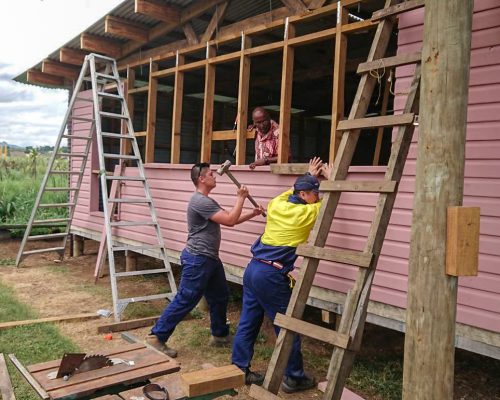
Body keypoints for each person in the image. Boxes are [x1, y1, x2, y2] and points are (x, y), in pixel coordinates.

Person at [232, 157, 331, 393]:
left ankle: (239, 368)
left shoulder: (277, 204)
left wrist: (309, 176)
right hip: (271, 276)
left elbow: (291, 192)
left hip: (253, 268)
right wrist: (331, 178)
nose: (317, 197)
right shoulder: (307, 213)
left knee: (248, 321)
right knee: (287, 324)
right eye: (314, 193)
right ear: (306, 195)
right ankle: (294, 377)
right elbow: (329, 204)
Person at [147, 162, 264, 358]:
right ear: (201, 179)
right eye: (211, 174)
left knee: (220, 296)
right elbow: (230, 220)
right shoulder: (200, 201)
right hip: (197, 258)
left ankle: (219, 336)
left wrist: (252, 213)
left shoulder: (207, 201)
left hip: (209, 258)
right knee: (187, 297)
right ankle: (157, 337)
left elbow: (229, 218)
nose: (215, 176)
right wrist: (241, 198)